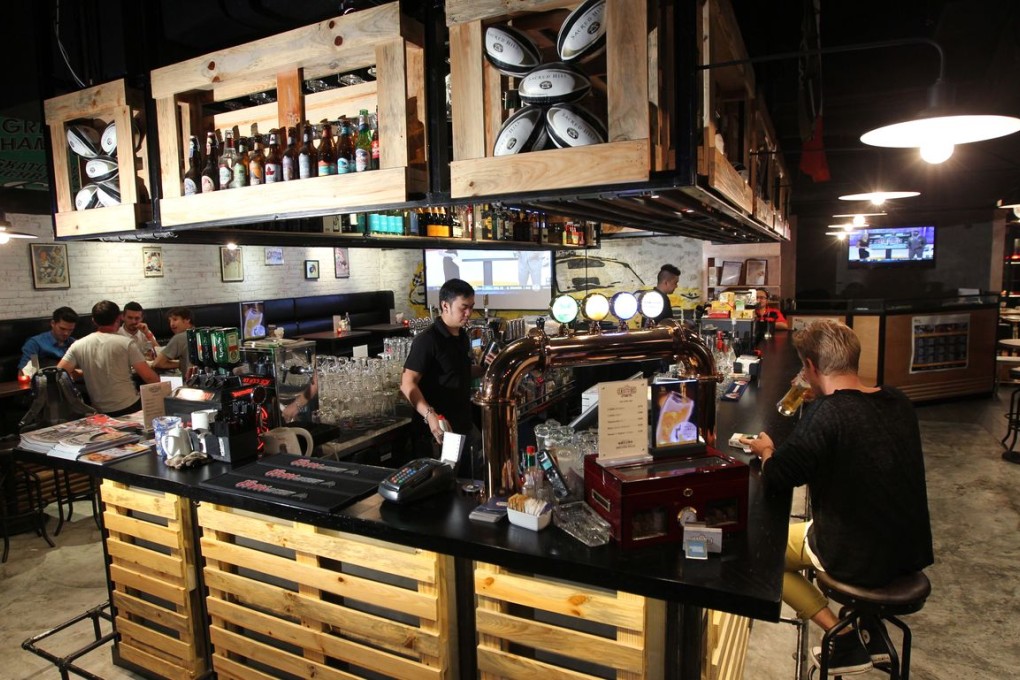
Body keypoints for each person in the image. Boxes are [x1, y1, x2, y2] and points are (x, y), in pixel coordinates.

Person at [740, 320, 933, 676]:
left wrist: (766, 451)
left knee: (760, 550)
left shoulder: (828, 414)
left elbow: (780, 476)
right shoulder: (898, 401)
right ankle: (870, 625)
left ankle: (841, 637)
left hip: (857, 557)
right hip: (907, 552)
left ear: (811, 367)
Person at [400, 278, 490, 474]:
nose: (469, 313)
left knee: (471, 483)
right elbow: (407, 384)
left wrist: (485, 367)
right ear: (445, 306)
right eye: (463, 307)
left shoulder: (461, 336)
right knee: (443, 486)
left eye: (471, 307)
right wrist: (430, 415)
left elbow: (459, 372)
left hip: (464, 425)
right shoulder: (427, 340)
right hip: (438, 432)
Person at [56, 300, 160, 415]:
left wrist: (85, 372)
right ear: (118, 319)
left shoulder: (77, 345)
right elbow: (150, 378)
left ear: (94, 321)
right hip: (129, 405)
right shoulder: (127, 343)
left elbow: (58, 375)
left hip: (99, 410)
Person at [18, 306, 78, 375]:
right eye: (62, 329)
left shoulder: (74, 343)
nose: (66, 333)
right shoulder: (35, 344)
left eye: (70, 330)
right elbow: (25, 373)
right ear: (53, 323)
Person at [151, 307, 195, 377]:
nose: (171, 324)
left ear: (187, 319)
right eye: (170, 321)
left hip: (190, 381)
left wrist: (180, 364)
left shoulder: (179, 338)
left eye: (175, 319)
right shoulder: (200, 334)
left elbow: (157, 363)